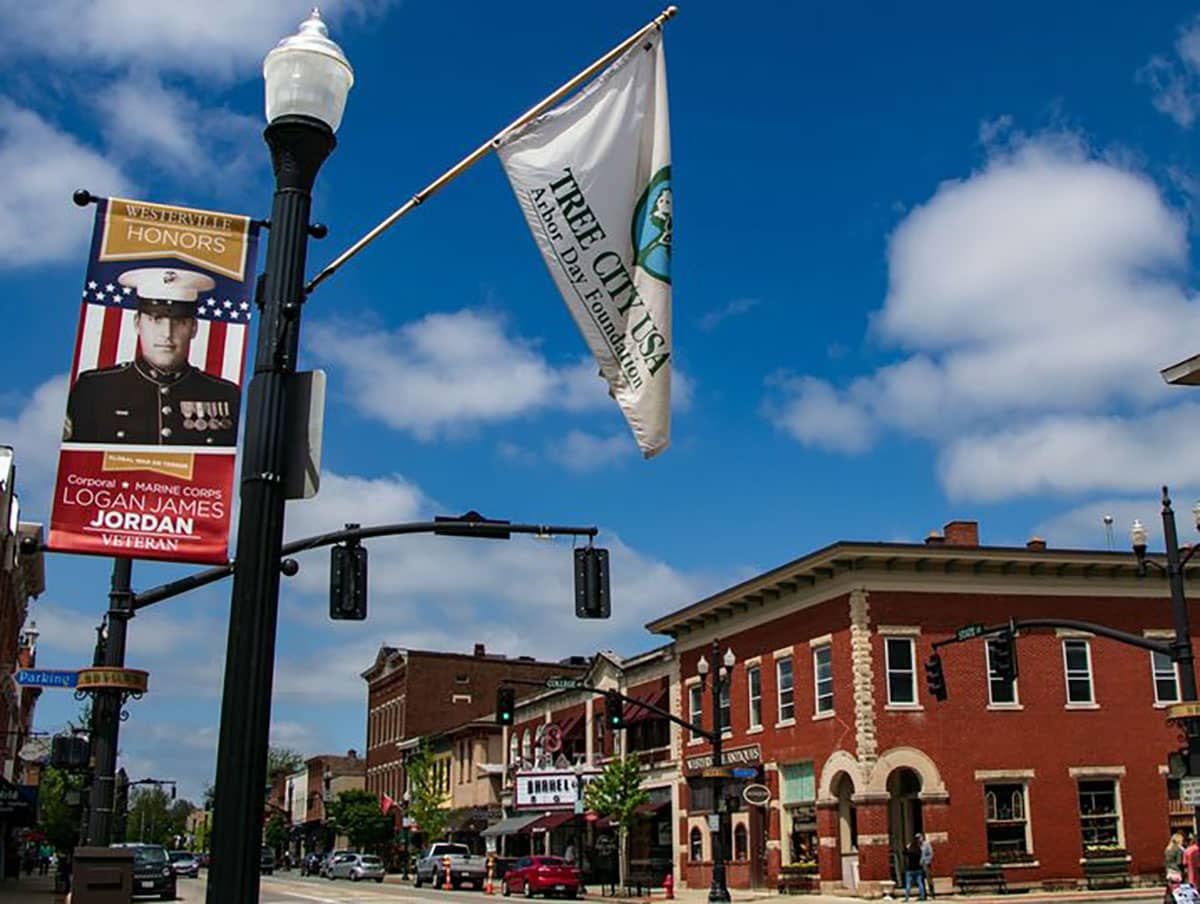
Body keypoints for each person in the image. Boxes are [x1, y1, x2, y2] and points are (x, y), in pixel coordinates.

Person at [63, 267, 240, 446]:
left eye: (179, 322)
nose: (167, 334)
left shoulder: (225, 394)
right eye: (156, 319)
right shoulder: (94, 388)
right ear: (138, 323)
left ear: (193, 328)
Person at [903, 835, 926, 901]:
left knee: (908, 884)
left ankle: (907, 898)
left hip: (910, 869)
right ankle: (922, 896)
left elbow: (904, 853)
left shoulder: (910, 851)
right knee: (920, 883)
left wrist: (906, 847)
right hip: (918, 868)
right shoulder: (919, 851)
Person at [919, 832, 934, 899]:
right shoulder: (917, 845)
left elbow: (931, 854)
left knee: (929, 879)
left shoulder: (926, 844)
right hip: (920, 864)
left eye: (920, 837)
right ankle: (923, 894)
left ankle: (932, 893)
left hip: (926, 864)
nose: (919, 839)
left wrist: (927, 861)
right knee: (921, 879)